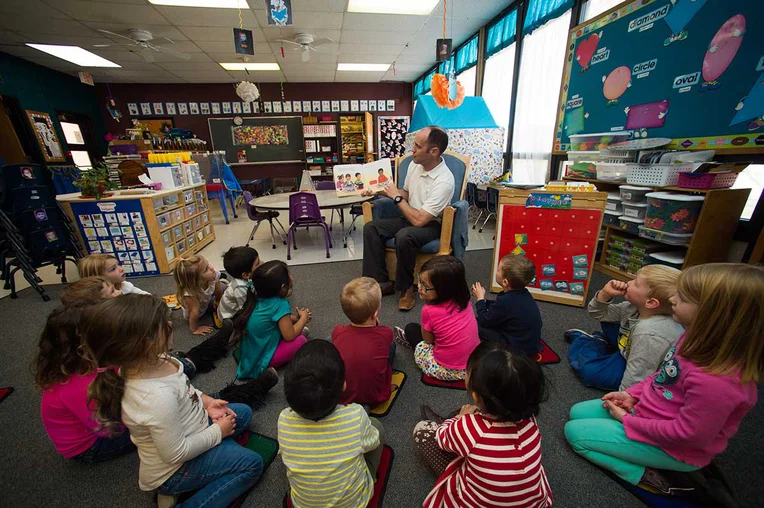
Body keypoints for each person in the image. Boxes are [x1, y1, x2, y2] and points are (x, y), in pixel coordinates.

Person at [565, 263, 762, 491]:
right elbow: (664, 374)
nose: (673, 299)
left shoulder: (718, 382)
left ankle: (652, 477)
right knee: (577, 412)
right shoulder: (692, 338)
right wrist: (632, 394)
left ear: (712, 315)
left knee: (575, 434)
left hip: (674, 447)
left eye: (683, 297)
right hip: (651, 411)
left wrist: (627, 421)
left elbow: (687, 436)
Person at [83, 295, 265, 507]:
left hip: (191, 428)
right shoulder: (154, 398)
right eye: (163, 325)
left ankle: (215, 452)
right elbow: (176, 453)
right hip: (176, 467)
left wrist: (207, 403)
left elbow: (185, 389)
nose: (171, 324)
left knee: (242, 413)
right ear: (145, 343)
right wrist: (218, 432)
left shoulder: (159, 359)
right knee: (252, 464)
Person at [414, 341, 553, 508]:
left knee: (422, 430)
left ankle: (448, 420)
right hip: (533, 503)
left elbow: (441, 438)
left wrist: (459, 419)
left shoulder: (470, 428)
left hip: (474, 500)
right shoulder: (530, 421)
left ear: (476, 396)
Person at [278, 340, 385, 508]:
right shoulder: (355, 416)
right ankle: (371, 477)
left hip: (302, 505)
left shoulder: (283, 419)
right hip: (357, 503)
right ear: (344, 385)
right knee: (376, 426)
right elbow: (373, 442)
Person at [362, 126, 455, 311]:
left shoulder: (444, 180)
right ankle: (381, 282)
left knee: (405, 235)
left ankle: (406, 289)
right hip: (411, 216)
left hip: (431, 224)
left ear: (434, 151)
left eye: (418, 146)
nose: (412, 150)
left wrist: (396, 197)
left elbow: (420, 221)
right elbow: (405, 193)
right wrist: (378, 191)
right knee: (371, 228)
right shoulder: (415, 165)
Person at [35, 304, 135, 463]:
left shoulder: (90, 363)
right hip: (92, 445)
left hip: (109, 415)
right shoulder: (77, 388)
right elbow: (110, 429)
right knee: (158, 426)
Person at [566, 265, 684, 391]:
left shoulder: (650, 334)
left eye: (636, 283)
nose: (628, 283)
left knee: (591, 373)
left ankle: (589, 341)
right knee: (609, 319)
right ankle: (604, 344)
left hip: (642, 364)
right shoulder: (632, 307)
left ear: (650, 302)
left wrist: (623, 399)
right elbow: (598, 313)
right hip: (629, 349)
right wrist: (605, 294)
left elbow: (637, 375)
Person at [396, 256, 479, 381]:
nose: (419, 287)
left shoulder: (428, 311)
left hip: (447, 370)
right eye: (419, 280)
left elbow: (428, 340)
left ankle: (413, 347)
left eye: (425, 286)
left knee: (411, 329)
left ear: (443, 290)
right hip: (474, 363)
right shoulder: (464, 301)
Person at [231, 260, 310, 380]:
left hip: (250, 350)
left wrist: (295, 319)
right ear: (283, 287)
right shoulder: (280, 304)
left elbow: (277, 318)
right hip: (263, 358)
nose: (291, 276)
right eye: (289, 274)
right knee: (301, 340)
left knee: (298, 330)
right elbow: (289, 335)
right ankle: (266, 368)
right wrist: (303, 318)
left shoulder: (257, 295)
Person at [332, 277, 395, 407]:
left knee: (333, 340)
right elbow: (381, 341)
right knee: (391, 346)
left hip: (343, 397)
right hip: (376, 397)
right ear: (375, 313)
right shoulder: (386, 332)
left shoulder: (338, 330)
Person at [471, 254, 542, 355]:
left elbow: (485, 321)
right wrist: (485, 302)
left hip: (517, 348)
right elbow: (501, 308)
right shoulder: (524, 293)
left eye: (499, 270)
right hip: (530, 344)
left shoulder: (505, 302)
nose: (497, 271)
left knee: (474, 323)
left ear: (505, 282)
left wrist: (480, 300)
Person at [173, 255, 225, 335]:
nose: (211, 268)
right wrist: (194, 329)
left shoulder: (213, 274)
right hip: (197, 312)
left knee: (224, 287)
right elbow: (194, 312)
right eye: (206, 269)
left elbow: (218, 290)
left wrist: (218, 300)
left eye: (208, 264)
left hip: (205, 301)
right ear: (196, 280)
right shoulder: (190, 293)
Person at [217, 246, 261, 322]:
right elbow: (246, 308)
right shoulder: (240, 288)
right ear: (246, 275)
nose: (262, 263)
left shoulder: (245, 279)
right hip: (229, 317)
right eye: (257, 264)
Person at [78, 253, 149, 295]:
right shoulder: (100, 300)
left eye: (118, 265)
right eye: (113, 269)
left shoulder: (124, 285)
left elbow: (144, 295)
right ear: (98, 277)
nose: (121, 269)